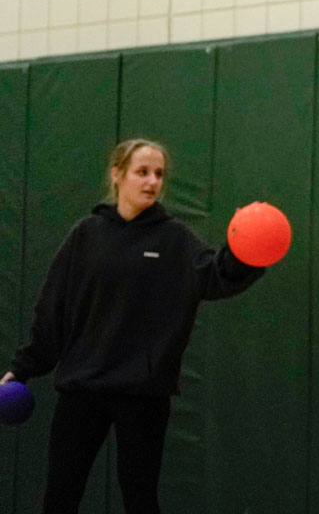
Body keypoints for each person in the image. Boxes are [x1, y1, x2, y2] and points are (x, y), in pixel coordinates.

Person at [1, 138, 265, 514]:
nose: (152, 181)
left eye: (158, 174)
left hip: (143, 393)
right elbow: (52, 311)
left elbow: (216, 276)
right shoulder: (85, 235)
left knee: (140, 496)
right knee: (61, 493)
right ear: (117, 175)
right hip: (83, 387)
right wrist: (22, 368)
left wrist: (248, 249)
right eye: (142, 172)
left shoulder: (175, 239)